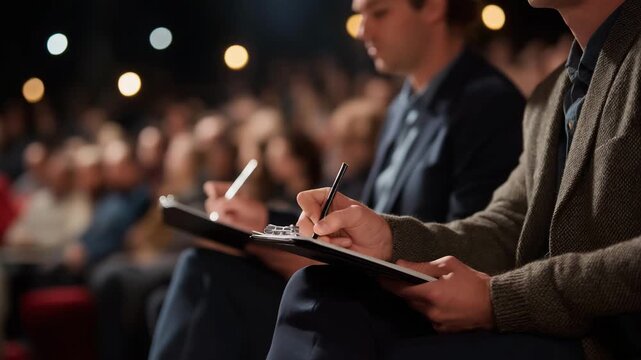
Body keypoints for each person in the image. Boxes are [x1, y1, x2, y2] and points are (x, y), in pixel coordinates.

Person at [149, 0, 526, 357]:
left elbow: (469, 249)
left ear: (433, 7)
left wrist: (306, 256)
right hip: (364, 290)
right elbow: (372, 216)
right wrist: (264, 220)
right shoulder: (403, 105)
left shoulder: (487, 103)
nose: (362, 30)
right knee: (197, 268)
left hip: (402, 311)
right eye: (359, 14)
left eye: (379, 13)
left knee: (207, 277)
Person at [268, 0, 641, 359]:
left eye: (380, 12)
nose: (364, 30)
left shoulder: (499, 98)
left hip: (602, 341)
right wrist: (388, 237)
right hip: (551, 326)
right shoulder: (549, 95)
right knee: (315, 290)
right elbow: (506, 227)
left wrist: (499, 299)